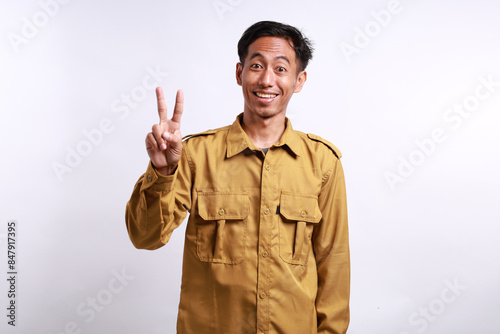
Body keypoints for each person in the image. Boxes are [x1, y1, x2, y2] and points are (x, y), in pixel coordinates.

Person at [125, 20, 350, 334]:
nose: (267, 80)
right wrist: (163, 172)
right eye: (256, 65)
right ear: (239, 73)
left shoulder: (323, 162)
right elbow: (145, 237)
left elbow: (333, 262)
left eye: (281, 69)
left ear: (299, 81)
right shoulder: (195, 155)